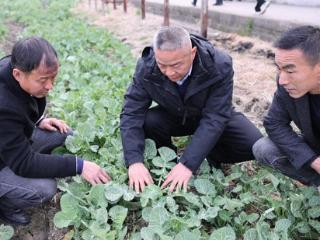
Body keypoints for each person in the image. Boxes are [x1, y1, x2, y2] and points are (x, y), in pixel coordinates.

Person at [120, 26, 262, 193]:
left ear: (193, 53)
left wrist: (188, 164)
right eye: (162, 65)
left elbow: (215, 117)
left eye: (176, 65)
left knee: (254, 144)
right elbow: (131, 112)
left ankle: (212, 153)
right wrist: (134, 161)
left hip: (210, 113)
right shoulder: (146, 66)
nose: (169, 72)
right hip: (176, 115)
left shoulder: (219, 64)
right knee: (148, 120)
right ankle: (167, 160)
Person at [0, 37, 111, 225]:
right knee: (45, 188)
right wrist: (79, 166)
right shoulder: (4, 106)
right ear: (18, 74)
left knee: (64, 135)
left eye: (53, 77)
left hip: (8, 145)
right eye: (43, 80)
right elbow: (23, 163)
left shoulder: (12, 67)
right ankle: (5, 204)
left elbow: (19, 110)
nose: (50, 86)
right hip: (4, 162)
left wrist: (39, 120)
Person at [253, 26, 320, 188]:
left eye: (290, 71)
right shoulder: (286, 84)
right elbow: (274, 123)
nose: (282, 80)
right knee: (264, 148)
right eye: (279, 68)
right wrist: (313, 161)